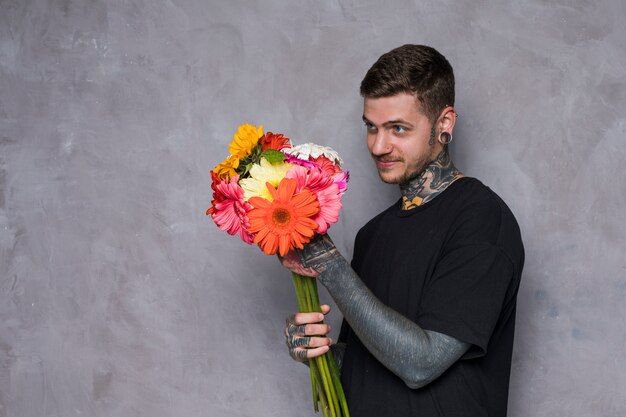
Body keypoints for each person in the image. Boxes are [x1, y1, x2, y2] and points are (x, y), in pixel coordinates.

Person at [279, 44, 524, 417]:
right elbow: (369, 372)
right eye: (371, 127)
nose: (379, 146)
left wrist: (330, 264)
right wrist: (319, 355)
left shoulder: (482, 219)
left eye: (398, 128)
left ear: (444, 124)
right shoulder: (372, 235)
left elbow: (421, 364)